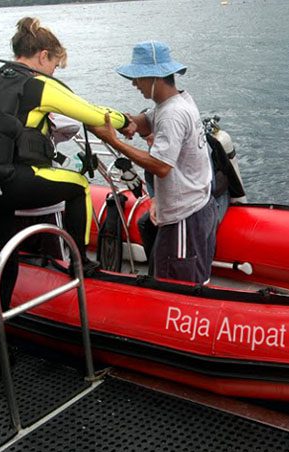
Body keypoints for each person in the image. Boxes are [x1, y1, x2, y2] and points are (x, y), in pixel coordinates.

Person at [0, 17, 131, 369]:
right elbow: (91, 113)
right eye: (56, 64)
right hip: (16, 179)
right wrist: (126, 121)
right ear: (43, 55)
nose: (55, 71)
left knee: (3, 266)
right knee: (79, 186)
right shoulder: (38, 85)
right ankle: (79, 262)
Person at [88, 41, 216, 284]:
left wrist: (114, 141)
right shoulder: (176, 101)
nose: (134, 84)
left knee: (178, 287)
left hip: (184, 216)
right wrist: (127, 122)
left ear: (154, 77)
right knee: (184, 275)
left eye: (138, 78)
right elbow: (145, 121)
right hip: (197, 205)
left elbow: (160, 166)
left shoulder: (172, 113)